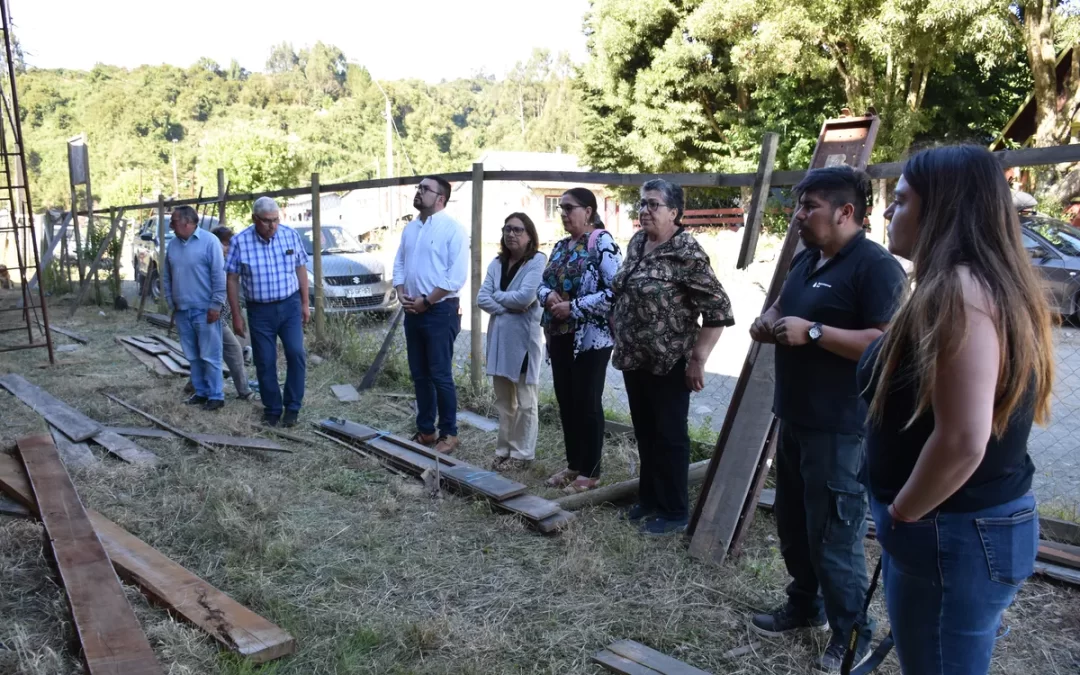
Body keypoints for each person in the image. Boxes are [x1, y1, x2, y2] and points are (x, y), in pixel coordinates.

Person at [860, 145, 1053, 675]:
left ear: (941, 209)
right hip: (957, 527)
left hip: (953, 529)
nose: (887, 212)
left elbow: (964, 440)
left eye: (900, 201)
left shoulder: (959, 291)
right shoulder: (975, 283)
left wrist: (902, 513)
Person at [747, 166, 907, 673]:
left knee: (834, 536)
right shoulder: (808, 258)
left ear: (846, 213)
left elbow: (886, 344)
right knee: (794, 524)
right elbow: (783, 306)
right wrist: (769, 320)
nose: (798, 216)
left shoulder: (876, 267)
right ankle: (804, 606)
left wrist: (813, 332)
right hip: (794, 417)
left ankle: (852, 634)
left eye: (809, 206)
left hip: (840, 427)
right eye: (799, 206)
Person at [610, 180, 734, 535]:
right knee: (646, 433)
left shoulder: (686, 252)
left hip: (669, 361)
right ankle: (649, 501)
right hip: (635, 358)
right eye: (641, 205)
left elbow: (719, 309)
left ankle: (675, 510)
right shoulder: (637, 243)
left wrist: (698, 358)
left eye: (653, 204)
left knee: (669, 436)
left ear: (675, 212)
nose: (644, 211)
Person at [538, 188, 622, 494]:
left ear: (588, 211)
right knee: (567, 401)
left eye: (569, 208)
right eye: (560, 208)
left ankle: (591, 471)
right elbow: (543, 282)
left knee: (587, 402)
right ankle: (574, 464)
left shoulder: (602, 242)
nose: (563, 213)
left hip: (590, 339)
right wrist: (547, 296)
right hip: (559, 335)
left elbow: (616, 291)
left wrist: (572, 307)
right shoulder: (561, 246)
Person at [393, 176, 469, 454]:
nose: (419, 192)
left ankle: (449, 433)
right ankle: (426, 430)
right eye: (418, 188)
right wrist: (401, 291)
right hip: (413, 309)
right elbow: (400, 263)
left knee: (440, 374)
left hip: (440, 311)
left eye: (425, 189)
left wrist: (428, 300)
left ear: (441, 198)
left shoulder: (454, 230)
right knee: (419, 374)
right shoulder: (411, 229)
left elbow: (455, 277)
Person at [225, 196, 309, 428]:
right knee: (265, 360)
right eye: (266, 221)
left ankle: (292, 407)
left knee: (296, 353)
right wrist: (236, 315)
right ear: (254, 219)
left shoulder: (289, 235)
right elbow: (232, 279)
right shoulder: (240, 242)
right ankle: (272, 409)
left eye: (276, 220)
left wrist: (304, 303)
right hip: (260, 311)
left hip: (289, 306)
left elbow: (301, 268)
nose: (272, 226)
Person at [476, 213, 546, 467]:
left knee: (526, 401)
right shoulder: (497, 263)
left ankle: (522, 454)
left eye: (518, 230)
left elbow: (526, 297)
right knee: (505, 401)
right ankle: (504, 449)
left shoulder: (537, 261)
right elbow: (482, 298)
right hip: (499, 340)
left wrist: (498, 296)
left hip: (523, 342)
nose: (511, 234)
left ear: (529, 235)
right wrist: (506, 302)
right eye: (507, 229)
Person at [162, 206, 226, 411]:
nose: (171, 224)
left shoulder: (210, 242)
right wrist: (171, 301)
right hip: (182, 310)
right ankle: (201, 392)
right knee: (192, 355)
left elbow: (219, 275)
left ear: (187, 223)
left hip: (205, 309)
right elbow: (166, 276)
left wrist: (216, 304)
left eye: (174, 221)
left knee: (210, 354)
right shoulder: (172, 245)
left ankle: (216, 396)